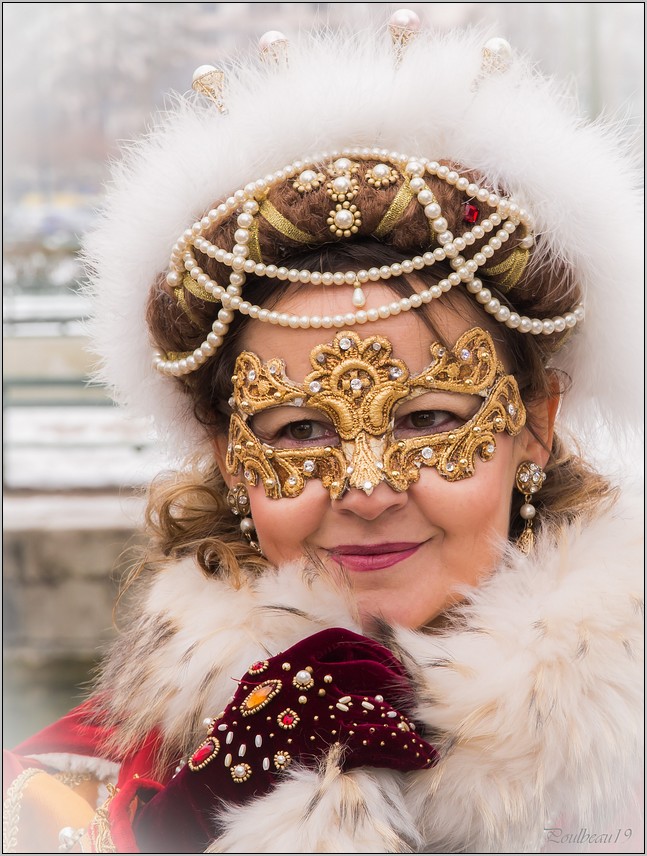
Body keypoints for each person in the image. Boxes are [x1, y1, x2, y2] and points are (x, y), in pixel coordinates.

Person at [3, 11, 643, 854]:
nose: (369, 490)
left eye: (425, 419)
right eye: (302, 431)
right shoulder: (74, 789)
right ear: (230, 460)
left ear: (535, 425)